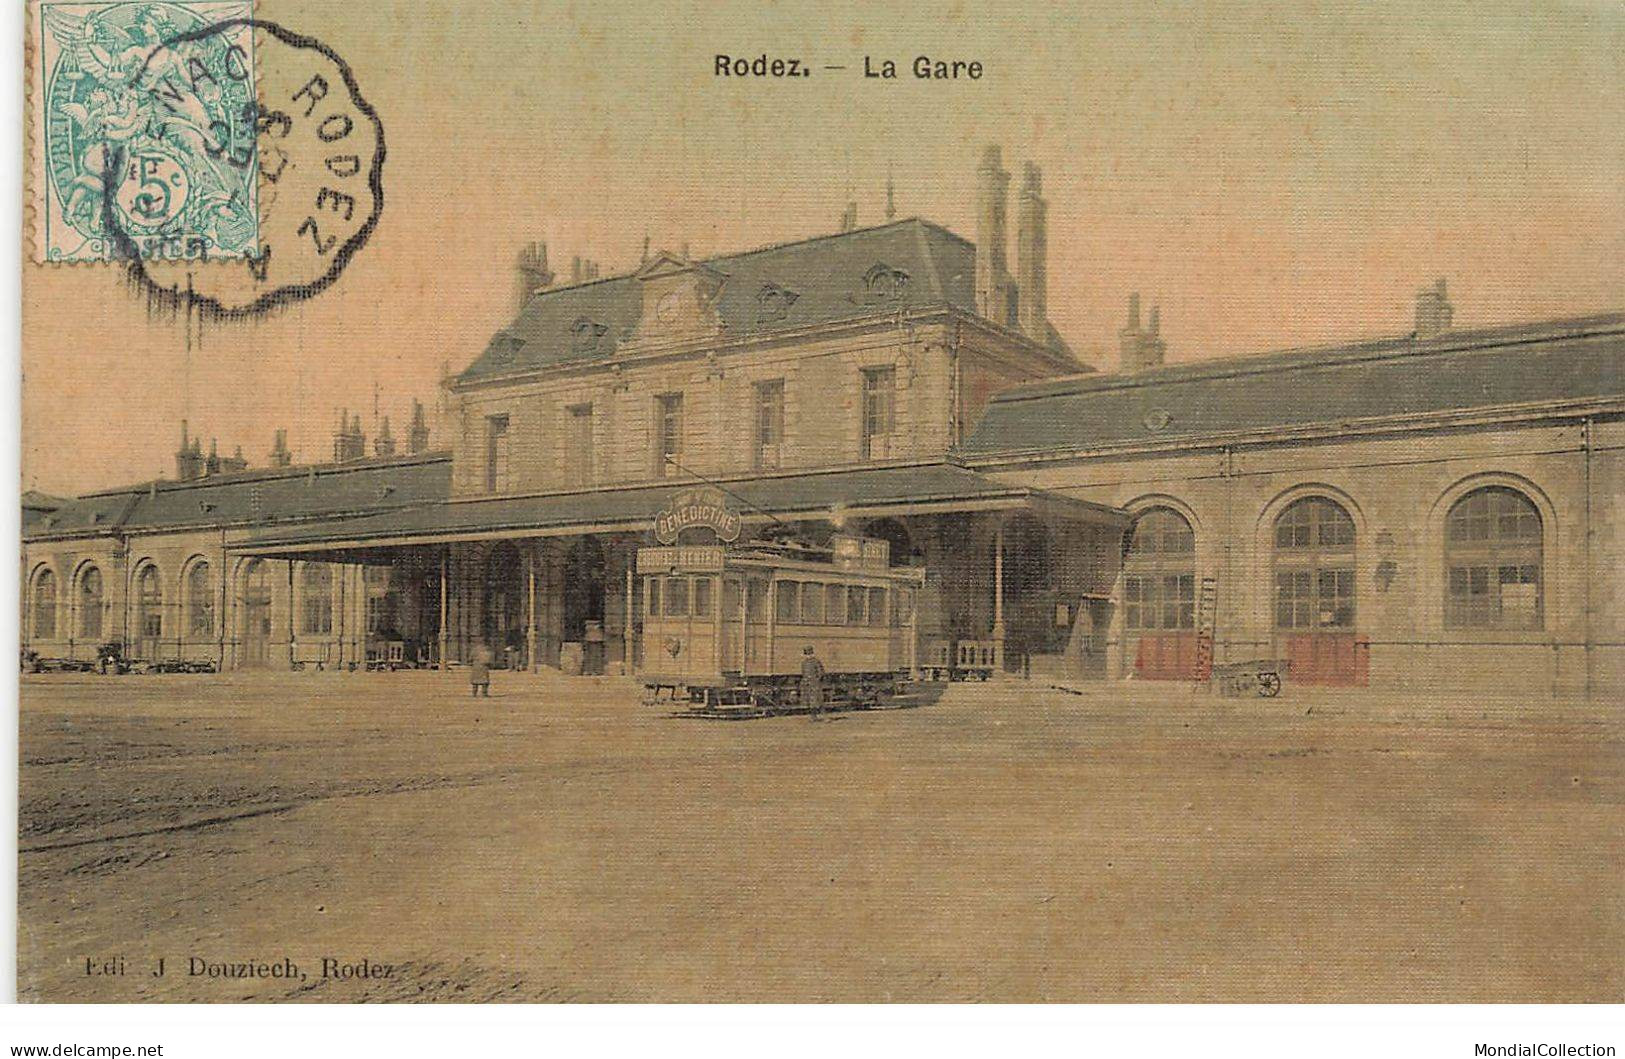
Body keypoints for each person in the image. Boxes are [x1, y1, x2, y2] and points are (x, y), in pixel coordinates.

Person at [800, 644, 826, 721]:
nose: (808, 655)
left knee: (819, 700)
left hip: (815, 684)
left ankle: (825, 717)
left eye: (809, 654)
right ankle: (813, 717)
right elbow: (803, 673)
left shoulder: (816, 662)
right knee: (810, 701)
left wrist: (817, 680)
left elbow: (821, 672)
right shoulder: (804, 663)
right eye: (807, 654)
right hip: (807, 684)